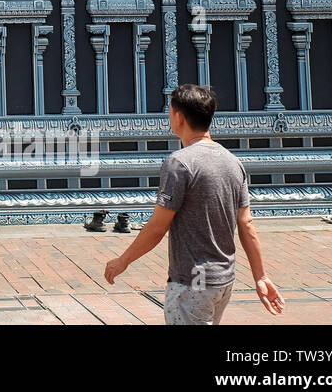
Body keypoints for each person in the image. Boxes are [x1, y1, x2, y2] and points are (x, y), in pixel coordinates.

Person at [104, 83, 284, 325]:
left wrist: (122, 260)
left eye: (169, 113)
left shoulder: (179, 163)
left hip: (193, 282)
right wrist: (260, 276)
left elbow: (158, 227)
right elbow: (246, 224)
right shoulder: (233, 162)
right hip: (223, 280)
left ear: (179, 118)